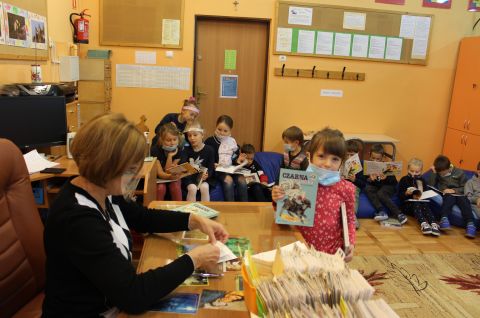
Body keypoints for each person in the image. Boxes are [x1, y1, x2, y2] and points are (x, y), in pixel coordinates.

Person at [42, 113, 228, 317]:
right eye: (130, 170)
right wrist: (195, 258)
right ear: (104, 166)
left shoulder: (103, 189)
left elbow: (143, 217)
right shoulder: (77, 218)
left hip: (112, 303)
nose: (134, 176)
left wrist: (193, 220)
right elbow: (133, 295)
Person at [272, 128, 356, 262]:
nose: (327, 164)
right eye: (321, 156)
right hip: (299, 248)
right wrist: (278, 199)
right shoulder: (297, 182)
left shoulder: (347, 189)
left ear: (341, 162)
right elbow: (285, 214)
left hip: (331, 253)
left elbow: (350, 219)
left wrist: (350, 243)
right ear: (310, 156)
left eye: (335, 159)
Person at [427, 155, 476, 238]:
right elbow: (430, 184)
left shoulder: (459, 173)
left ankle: (470, 224)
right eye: (440, 174)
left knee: (464, 202)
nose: (442, 175)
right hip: (447, 194)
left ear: (449, 167)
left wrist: (454, 190)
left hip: (459, 194)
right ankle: (444, 219)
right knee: (448, 199)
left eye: (444, 173)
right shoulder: (439, 173)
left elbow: (466, 187)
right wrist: (434, 173)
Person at [205, 115, 247, 202]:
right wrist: (213, 164)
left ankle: (244, 206)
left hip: (231, 168)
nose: (222, 133)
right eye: (219, 129)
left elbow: (234, 157)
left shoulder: (232, 142)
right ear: (216, 127)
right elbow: (206, 157)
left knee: (242, 180)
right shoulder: (209, 141)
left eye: (225, 131)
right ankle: (230, 207)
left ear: (230, 131)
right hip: (218, 170)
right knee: (228, 180)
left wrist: (237, 161)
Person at [364, 144, 407, 224]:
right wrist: (370, 179)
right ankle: (381, 211)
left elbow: (394, 182)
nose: (375, 161)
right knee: (368, 188)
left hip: (389, 186)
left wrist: (386, 177)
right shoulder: (368, 166)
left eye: (378, 159)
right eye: (373, 158)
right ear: (369, 155)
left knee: (381, 193)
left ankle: (399, 213)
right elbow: (366, 181)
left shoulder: (387, 166)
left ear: (383, 158)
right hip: (377, 186)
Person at [398, 158, 440, 236]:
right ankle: (423, 223)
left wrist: (423, 195)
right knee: (416, 204)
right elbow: (400, 196)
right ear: (408, 169)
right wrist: (406, 193)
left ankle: (433, 223)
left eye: (417, 172)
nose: (414, 174)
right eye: (411, 171)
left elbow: (425, 192)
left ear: (421, 171)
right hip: (408, 205)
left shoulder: (422, 180)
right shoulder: (404, 179)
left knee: (425, 205)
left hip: (421, 203)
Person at [182, 120, 216, 202]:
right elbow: (183, 166)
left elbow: (211, 168)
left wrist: (207, 175)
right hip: (189, 178)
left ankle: (205, 210)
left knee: (204, 187)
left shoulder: (209, 150)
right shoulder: (186, 150)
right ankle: (190, 212)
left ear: (202, 135)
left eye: (195, 135)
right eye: (189, 136)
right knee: (192, 188)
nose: (192, 138)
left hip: (203, 178)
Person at [151, 123, 184, 201]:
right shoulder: (155, 150)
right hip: (160, 178)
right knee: (160, 188)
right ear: (162, 140)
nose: (172, 143)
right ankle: (158, 211)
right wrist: (170, 156)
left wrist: (172, 175)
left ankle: (178, 211)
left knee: (175, 186)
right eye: (169, 140)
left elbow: (169, 171)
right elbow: (161, 173)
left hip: (173, 177)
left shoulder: (179, 150)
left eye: (174, 139)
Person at [344, 139, 366, 229]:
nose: (349, 157)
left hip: (354, 186)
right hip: (341, 184)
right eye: (347, 154)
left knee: (354, 193)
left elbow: (363, 184)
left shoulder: (359, 166)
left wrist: (355, 179)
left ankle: (352, 216)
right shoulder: (340, 162)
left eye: (352, 155)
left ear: (357, 154)